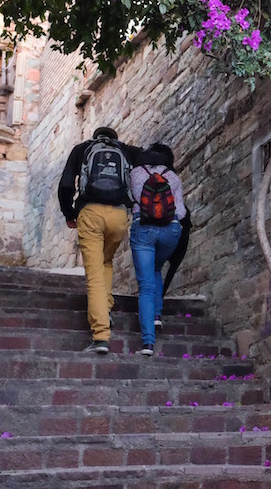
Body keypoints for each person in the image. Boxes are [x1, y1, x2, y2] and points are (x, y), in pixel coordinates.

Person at [58, 126, 141, 354]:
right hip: (119, 216)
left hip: (91, 213)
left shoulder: (82, 149)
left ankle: (101, 336)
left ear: (95, 138)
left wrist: (69, 213)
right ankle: (106, 307)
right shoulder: (124, 150)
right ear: (115, 138)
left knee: (93, 275)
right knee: (106, 261)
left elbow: (66, 184)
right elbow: (149, 159)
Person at [129, 143, 187, 356]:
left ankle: (148, 344)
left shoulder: (136, 173)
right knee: (156, 268)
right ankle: (156, 315)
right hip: (170, 231)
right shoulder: (172, 176)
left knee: (145, 285)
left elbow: (130, 199)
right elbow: (180, 212)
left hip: (143, 228)